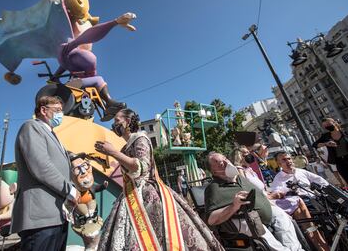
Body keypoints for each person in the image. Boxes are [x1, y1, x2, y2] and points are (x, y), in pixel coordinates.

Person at [94, 108, 224, 250]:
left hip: (149, 195)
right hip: (130, 195)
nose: (114, 125)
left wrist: (113, 153)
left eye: (117, 121)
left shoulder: (141, 138)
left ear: (128, 121)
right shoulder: (125, 147)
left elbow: (142, 167)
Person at [12, 96, 78, 251]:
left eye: (62, 111)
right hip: (41, 217)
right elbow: (41, 166)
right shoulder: (32, 127)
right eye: (57, 110)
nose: (60, 115)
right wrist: (70, 189)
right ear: (43, 110)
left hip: (57, 216)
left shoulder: (53, 134)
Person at [205, 152, 303, 251]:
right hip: (244, 218)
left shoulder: (240, 178)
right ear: (214, 172)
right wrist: (234, 206)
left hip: (263, 213)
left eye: (225, 159)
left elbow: (260, 196)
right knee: (257, 226)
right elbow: (211, 220)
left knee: (282, 216)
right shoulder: (213, 188)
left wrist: (273, 206)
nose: (226, 163)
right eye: (220, 163)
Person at [313, 118, 348, 186]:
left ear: (334, 122)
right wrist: (326, 144)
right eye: (325, 126)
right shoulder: (326, 136)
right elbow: (314, 144)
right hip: (339, 162)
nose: (327, 127)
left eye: (328, 124)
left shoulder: (345, 132)